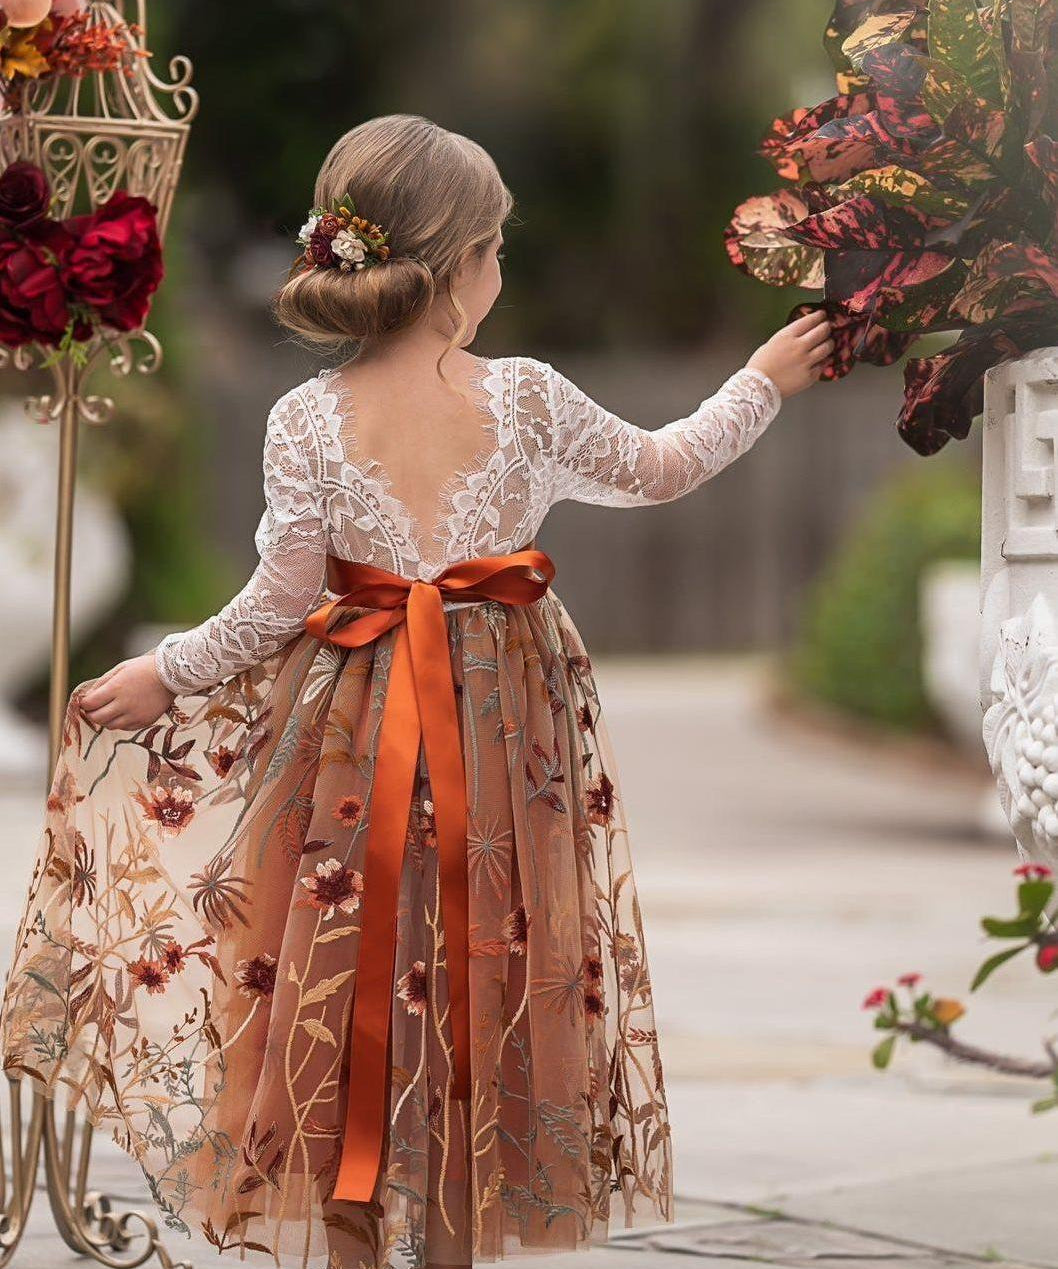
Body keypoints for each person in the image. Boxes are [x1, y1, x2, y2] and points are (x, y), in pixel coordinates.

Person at [0, 115, 831, 1269]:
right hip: (503, 731)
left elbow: (277, 601)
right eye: (495, 250)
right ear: (451, 272)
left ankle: (347, 1246)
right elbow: (661, 467)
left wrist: (162, 671)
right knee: (484, 974)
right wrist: (760, 381)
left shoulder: (307, 418)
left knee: (340, 978)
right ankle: (451, 1239)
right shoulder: (526, 399)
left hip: (348, 731)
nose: (502, 272)